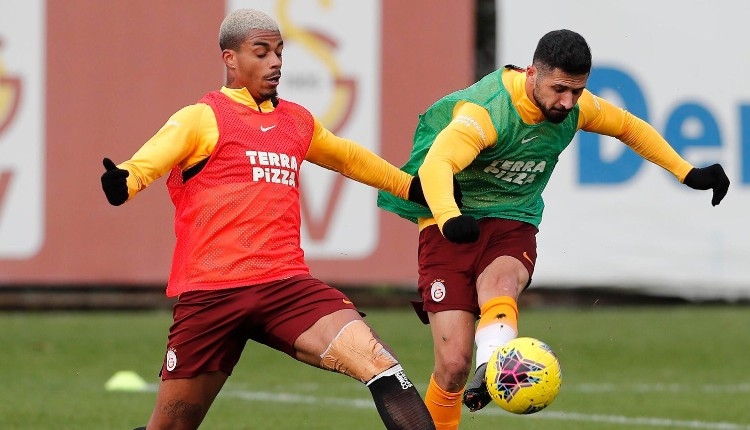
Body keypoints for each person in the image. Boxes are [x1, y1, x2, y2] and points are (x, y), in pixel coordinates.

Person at [100, 8, 441, 430]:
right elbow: (153, 158)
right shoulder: (203, 117)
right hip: (212, 295)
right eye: (261, 52)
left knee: (383, 367)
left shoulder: (296, 121)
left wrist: (409, 186)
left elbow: (347, 157)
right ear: (230, 58)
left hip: (285, 287)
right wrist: (127, 180)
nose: (275, 61)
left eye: (279, 51)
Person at [377, 29, 729, 429]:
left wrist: (688, 172)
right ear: (532, 74)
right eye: (559, 89)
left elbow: (628, 127)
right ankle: (482, 368)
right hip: (452, 220)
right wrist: (449, 215)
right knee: (453, 365)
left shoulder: (577, 107)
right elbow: (437, 164)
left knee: (501, 284)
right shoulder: (485, 112)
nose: (567, 102)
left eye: (577, 92)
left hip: (514, 218)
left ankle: (493, 364)